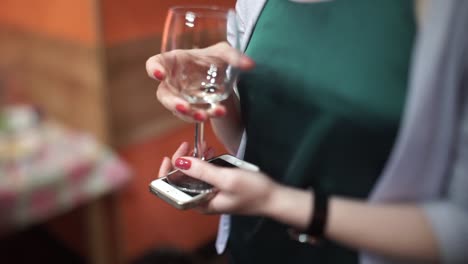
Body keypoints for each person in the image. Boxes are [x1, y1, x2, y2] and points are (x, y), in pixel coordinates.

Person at [146, 0, 468, 263]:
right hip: (254, 247)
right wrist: (220, 92)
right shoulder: (253, 4)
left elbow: (459, 228)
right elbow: (250, 141)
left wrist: (278, 202)